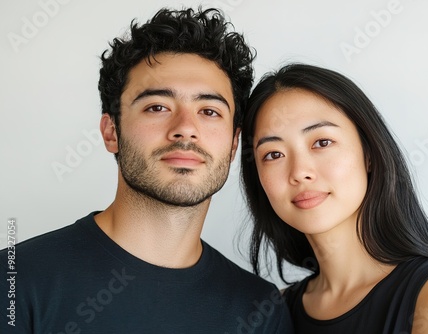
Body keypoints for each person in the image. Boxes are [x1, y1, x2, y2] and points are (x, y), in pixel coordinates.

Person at [0, 8, 294, 333]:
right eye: (157, 107)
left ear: (235, 142)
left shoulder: (259, 310)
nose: (186, 129)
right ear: (111, 132)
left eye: (209, 111)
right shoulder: (14, 282)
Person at [240, 63, 428, 333]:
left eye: (322, 142)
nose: (300, 172)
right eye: (273, 154)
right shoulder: (274, 314)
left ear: (369, 154)